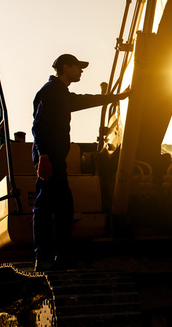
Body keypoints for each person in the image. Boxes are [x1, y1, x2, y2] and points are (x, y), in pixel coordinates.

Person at [32, 53, 129, 272]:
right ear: (66, 68)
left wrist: (117, 97)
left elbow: (85, 99)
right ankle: (44, 258)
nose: (81, 71)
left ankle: (61, 256)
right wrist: (43, 156)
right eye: (78, 67)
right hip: (48, 158)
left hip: (55, 158)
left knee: (64, 207)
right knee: (45, 207)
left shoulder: (61, 94)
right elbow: (38, 126)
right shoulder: (50, 92)